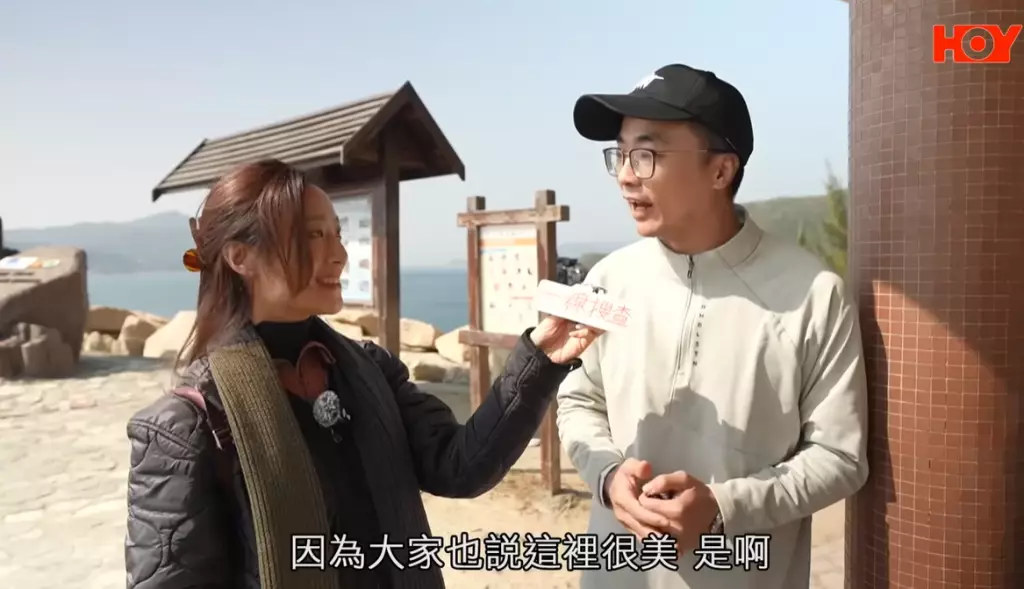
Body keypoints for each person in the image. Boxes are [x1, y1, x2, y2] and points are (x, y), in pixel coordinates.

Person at [124, 159, 602, 589]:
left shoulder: (369, 370)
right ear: (239, 257)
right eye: (313, 236)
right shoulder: (188, 426)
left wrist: (540, 360)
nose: (338, 254)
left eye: (336, 234)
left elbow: (459, 466)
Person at [556, 64, 869, 589]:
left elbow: (840, 457)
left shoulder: (814, 294)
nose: (626, 175)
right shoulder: (609, 279)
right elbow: (579, 401)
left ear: (721, 170)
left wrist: (724, 507)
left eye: (647, 154)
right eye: (620, 154)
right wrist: (607, 476)